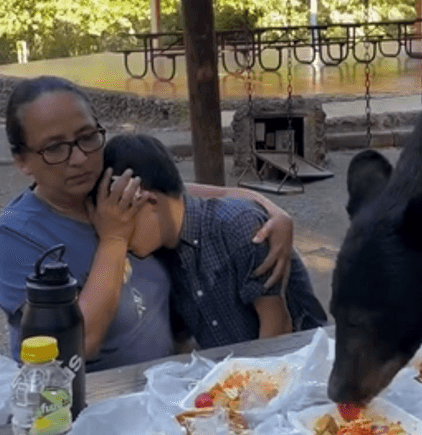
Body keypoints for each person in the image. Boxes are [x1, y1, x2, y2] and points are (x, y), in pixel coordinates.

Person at [0, 76, 298, 369]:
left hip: (168, 389)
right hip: (88, 405)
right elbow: (78, 344)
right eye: (54, 148)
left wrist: (274, 213)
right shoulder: (15, 237)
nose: (78, 158)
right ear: (22, 160)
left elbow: (182, 195)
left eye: (87, 137)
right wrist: (113, 240)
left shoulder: (110, 187)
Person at [92, 134, 327, 349]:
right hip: (230, 376)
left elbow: (277, 328)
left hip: (295, 365)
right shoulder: (162, 254)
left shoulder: (239, 226)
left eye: (123, 222)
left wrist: (250, 391)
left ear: (148, 201)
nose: (120, 238)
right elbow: (181, 339)